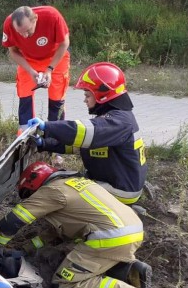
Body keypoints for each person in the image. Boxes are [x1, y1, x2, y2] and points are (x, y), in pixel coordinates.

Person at [0, 161, 151, 288]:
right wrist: (27, 248)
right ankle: (130, 270)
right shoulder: (76, 184)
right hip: (132, 231)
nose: (31, 197)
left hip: (109, 239)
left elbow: (15, 219)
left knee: (66, 283)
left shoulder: (52, 191)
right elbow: (56, 232)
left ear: (33, 184)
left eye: (29, 194)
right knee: (103, 258)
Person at [27, 62, 147, 206]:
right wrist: (44, 144)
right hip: (114, 182)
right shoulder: (116, 118)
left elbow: (82, 131)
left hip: (120, 190)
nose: (85, 100)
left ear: (102, 94)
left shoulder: (120, 122)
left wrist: (47, 126)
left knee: (60, 192)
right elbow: (79, 145)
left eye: (88, 95)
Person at [2, 5, 71, 133]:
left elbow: (65, 43)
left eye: (28, 30)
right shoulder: (8, 24)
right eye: (20, 32)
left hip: (55, 57)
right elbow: (13, 51)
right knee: (24, 96)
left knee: (57, 99)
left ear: (35, 19)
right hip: (28, 60)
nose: (24, 35)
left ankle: (55, 140)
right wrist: (30, 71)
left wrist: (49, 69)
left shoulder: (52, 16)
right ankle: (26, 137)